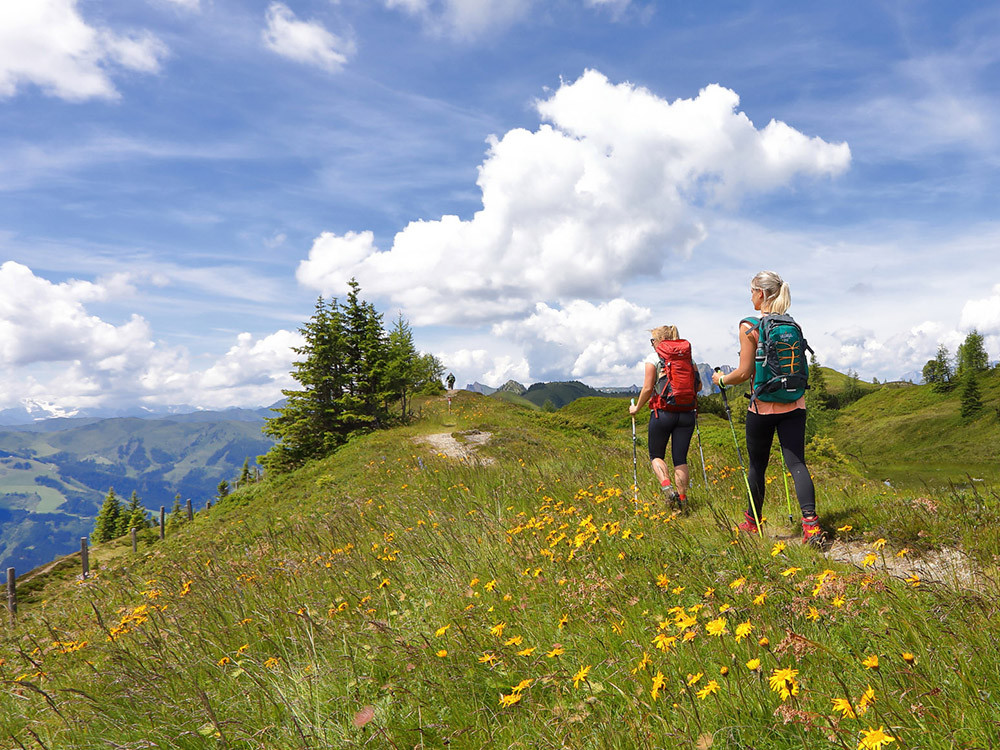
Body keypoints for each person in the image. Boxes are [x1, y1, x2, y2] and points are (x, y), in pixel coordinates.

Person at [711, 271, 821, 545]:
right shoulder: (790, 324)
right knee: (797, 463)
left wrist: (720, 380)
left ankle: (752, 521)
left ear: (760, 293)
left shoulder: (749, 326)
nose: (750, 296)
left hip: (762, 407)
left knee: (757, 466)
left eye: (751, 291)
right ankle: (811, 526)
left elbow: (742, 373)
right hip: (795, 404)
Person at [629, 325, 701, 509]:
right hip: (686, 413)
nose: (652, 344)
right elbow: (698, 386)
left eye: (652, 340)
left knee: (656, 455)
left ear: (658, 341)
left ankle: (668, 490)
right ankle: (683, 500)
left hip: (663, 413)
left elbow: (647, 388)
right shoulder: (688, 358)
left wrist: (636, 408)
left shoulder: (654, 358)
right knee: (680, 459)